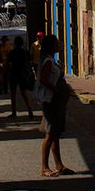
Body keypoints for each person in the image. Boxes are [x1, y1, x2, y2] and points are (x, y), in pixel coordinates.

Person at [36, 33, 74, 177]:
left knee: (55, 133)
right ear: (52, 45)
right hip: (51, 100)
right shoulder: (48, 61)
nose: (60, 44)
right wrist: (56, 89)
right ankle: (44, 167)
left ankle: (59, 164)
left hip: (56, 101)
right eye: (57, 42)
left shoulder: (50, 60)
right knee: (50, 133)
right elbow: (44, 79)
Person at [7, 35, 36, 119]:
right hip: (22, 74)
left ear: (15, 43)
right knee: (24, 93)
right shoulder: (25, 52)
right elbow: (29, 62)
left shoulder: (12, 52)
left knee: (13, 93)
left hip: (14, 74)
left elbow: (9, 64)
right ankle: (30, 110)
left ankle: (14, 112)